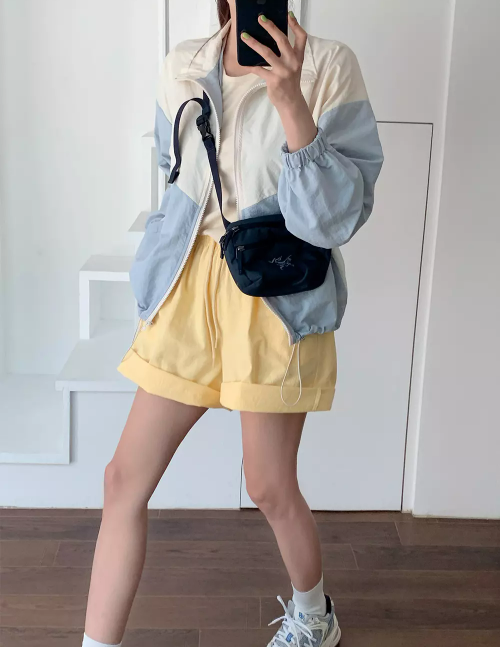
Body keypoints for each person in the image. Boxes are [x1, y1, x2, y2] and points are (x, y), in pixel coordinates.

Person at [82, 2, 384, 646]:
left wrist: (290, 100)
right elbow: (175, 178)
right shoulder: (182, 65)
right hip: (187, 286)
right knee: (122, 479)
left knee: (268, 486)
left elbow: (335, 219)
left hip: (275, 293)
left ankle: (315, 618)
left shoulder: (329, 66)